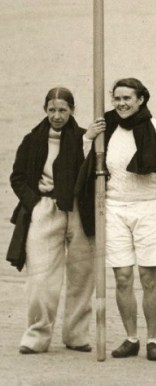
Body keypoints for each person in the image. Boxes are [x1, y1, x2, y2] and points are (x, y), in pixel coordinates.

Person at [85, 77, 156, 362]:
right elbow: (85, 162)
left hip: (147, 207)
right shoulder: (106, 127)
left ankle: (153, 339)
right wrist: (88, 137)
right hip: (113, 208)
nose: (121, 103)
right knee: (122, 277)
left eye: (127, 98)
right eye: (117, 98)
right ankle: (131, 338)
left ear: (141, 100)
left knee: (148, 277)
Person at [8, 87, 94, 354]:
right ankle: (37, 335)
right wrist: (34, 203)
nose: (57, 116)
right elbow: (17, 177)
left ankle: (76, 335)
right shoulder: (31, 140)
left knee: (82, 275)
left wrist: (89, 141)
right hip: (45, 208)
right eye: (52, 110)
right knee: (41, 276)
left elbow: (92, 173)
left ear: (72, 110)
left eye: (63, 110)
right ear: (45, 110)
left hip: (78, 210)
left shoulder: (84, 138)